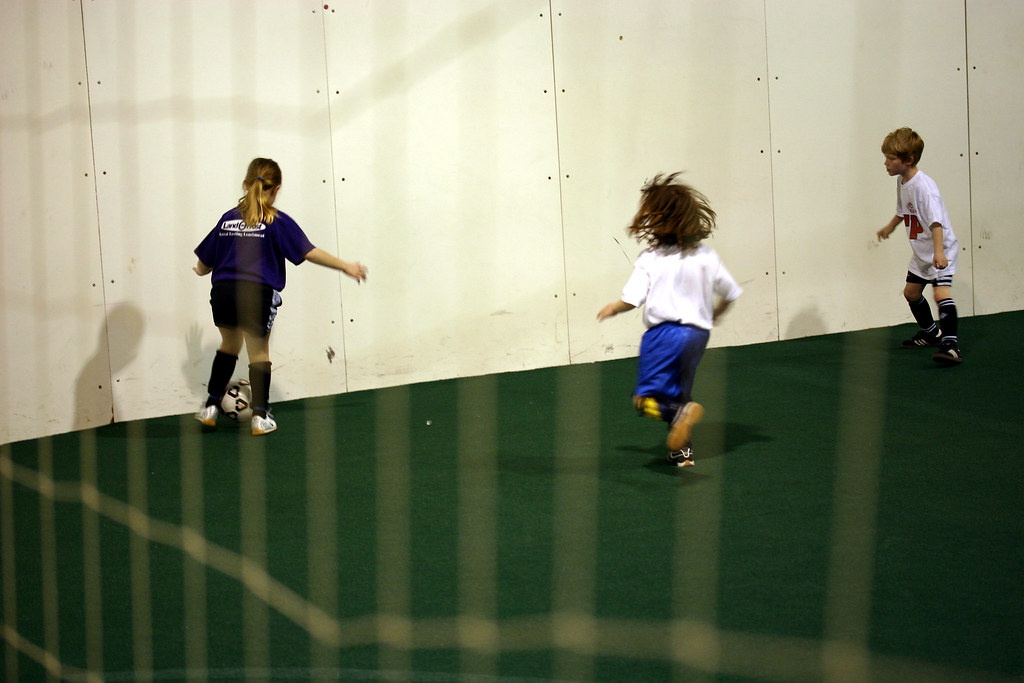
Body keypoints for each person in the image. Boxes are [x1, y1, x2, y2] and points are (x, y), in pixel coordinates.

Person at [193, 157, 367, 435]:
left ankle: (211, 407)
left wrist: (201, 270)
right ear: (276, 190)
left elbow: (204, 263)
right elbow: (308, 252)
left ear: (246, 185)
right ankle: (260, 417)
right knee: (258, 353)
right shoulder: (276, 221)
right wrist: (345, 265)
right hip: (256, 294)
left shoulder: (228, 218)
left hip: (223, 292)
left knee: (228, 346)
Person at [598, 173, 742, 467]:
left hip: (664, 336)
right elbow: (730, 292)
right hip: (698, 335)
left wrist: (613, 307)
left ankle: (679, 416)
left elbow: (632, 299)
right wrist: (715, 314)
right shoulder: (706, 256)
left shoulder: (650, 258)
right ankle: (682, 452)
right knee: (678, 392)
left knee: (645, 400)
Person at [876, 127, 962, 365]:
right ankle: (931, 332)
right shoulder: (903, 182)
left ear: (908, 160)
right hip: (922, 252)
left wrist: (939, 252)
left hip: (939, 249)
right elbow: (904, 211)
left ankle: (951, 345)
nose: (886, 163)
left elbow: (937, 223)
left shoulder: (924, 187)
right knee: (911, 293)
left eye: (891, 159)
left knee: (940, 293)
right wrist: (891, 226)